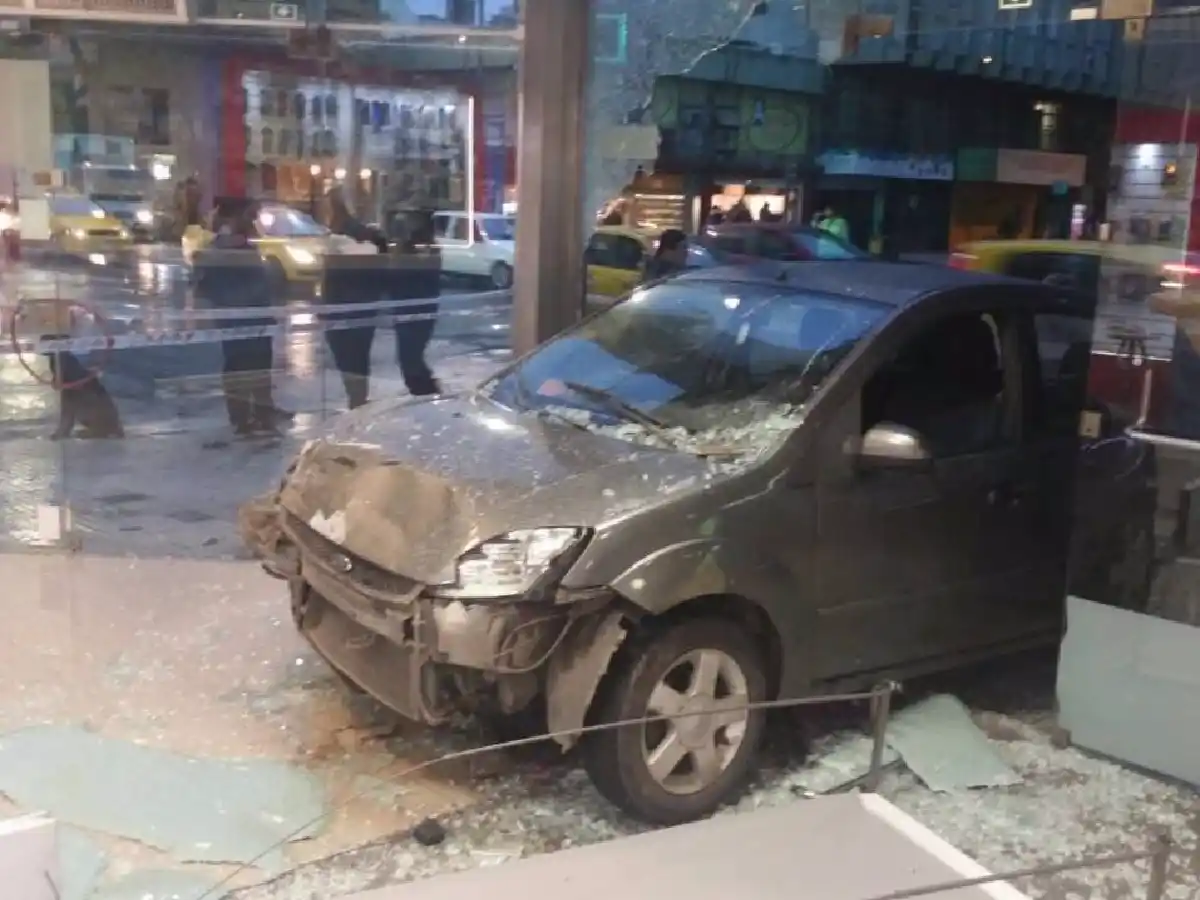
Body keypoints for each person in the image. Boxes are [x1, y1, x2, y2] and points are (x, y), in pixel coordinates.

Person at [194, 203, 285, 435]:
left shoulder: (242, 250)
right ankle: (243, 418)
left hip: (254, 319)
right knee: (240, 368)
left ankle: (261, 412)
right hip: (237, 319)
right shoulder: (221, 252)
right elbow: (204, 286)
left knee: (258, 367)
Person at [319, 187, 384, 409]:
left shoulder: (347, 234)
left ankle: (357, 401)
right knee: (356, 357)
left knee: (350, 356)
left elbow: (337, 274)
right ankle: (357, 400)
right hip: (354, 305)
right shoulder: (345, 231)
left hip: (347, 305)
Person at [391, 210, 442, 397]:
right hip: (412, 309)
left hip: (415, 311)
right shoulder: (417, 247)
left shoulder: (421, 248)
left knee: (409, 357)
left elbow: (403, 275)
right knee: (410, 357)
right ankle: (426, 389)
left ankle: (427, 391)